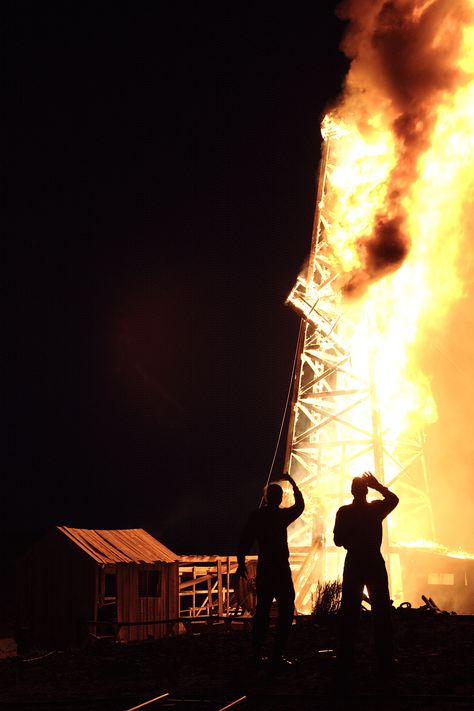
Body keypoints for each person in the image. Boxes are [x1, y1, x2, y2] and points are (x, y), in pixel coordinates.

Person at [334, 471, 399, 680]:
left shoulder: (344, 512)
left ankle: (345, 659)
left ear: (352, 491)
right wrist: (378, 485)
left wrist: (350, 539)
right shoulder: (375, 509)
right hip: (373, 562)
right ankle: (385, 659)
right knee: (381, 611)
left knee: (349, 612)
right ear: (366, 490)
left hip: (354, 562)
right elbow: (394, 499)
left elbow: (337, 540)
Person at [237, 472, 304, 671]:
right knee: (286, 611)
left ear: (266, 497)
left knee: (262, 613)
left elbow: (245, 541)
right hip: (281, 569)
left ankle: (257, 655)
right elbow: (300, 506)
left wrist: (241, 562)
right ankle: (277, 654)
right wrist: (292, 483)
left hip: (265, 569)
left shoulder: (257, 516)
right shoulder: (281, 515)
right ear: (280, 498)